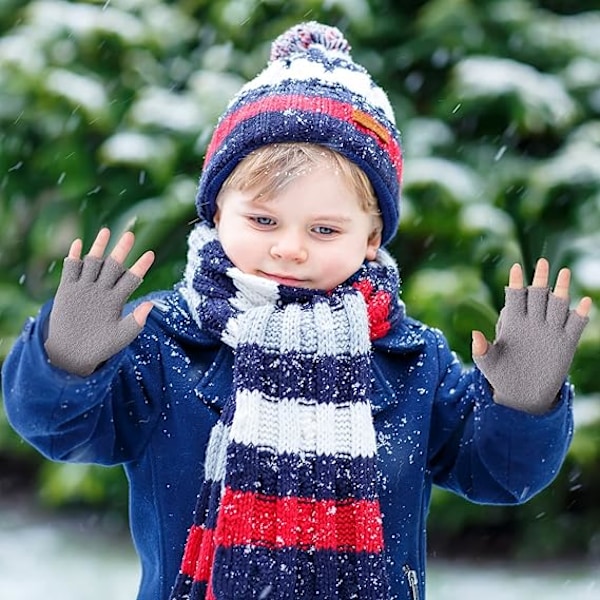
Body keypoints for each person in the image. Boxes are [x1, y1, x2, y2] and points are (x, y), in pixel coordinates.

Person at [1, 21, 592, 600]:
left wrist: (524, 400)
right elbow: (62, 431)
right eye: (263, 220)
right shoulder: (166, 345)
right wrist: (65, 359)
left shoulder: (411, 363)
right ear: (217, 212)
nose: (290, 247)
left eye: (325, 228)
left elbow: (497, 471)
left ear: (370, 238)